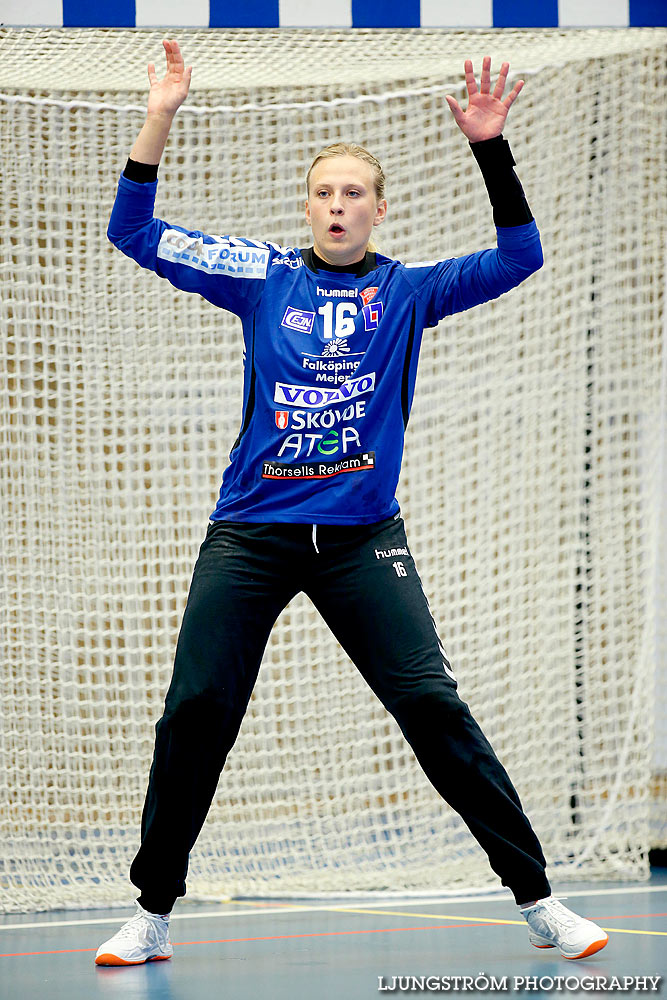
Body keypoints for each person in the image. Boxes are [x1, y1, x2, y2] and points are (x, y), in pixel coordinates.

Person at [96, 39, 608, 967]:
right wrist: (161, 113)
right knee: (197, 706)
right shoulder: (261, 278)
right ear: (307, 207)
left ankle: (538, 901)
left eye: (353, 194)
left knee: (430, 704)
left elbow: (519, 256)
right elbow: (132, 232)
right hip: (251, 535)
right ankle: (152, 911)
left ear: (378, 208)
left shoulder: (408, 291)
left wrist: (489, 148)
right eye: (323, 193)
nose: (337, 205)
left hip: (363, 538)